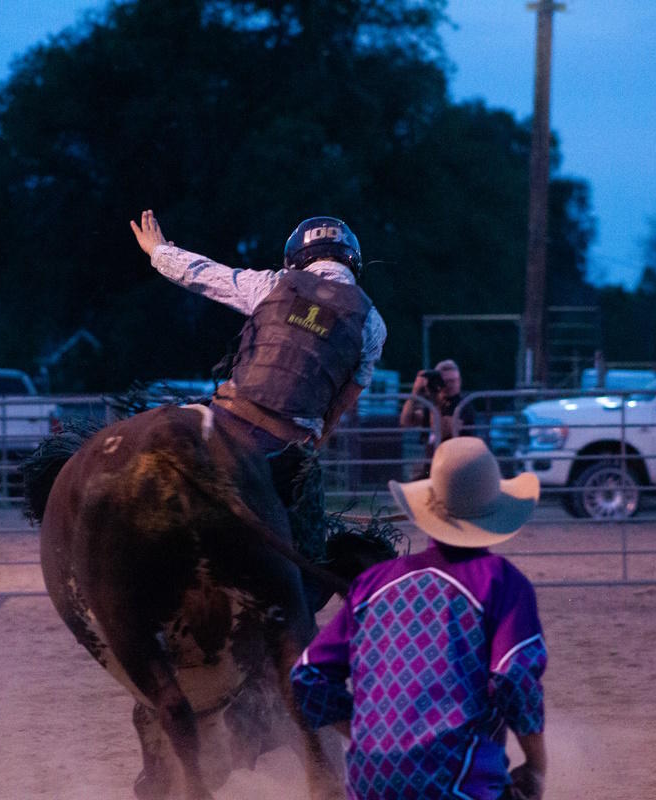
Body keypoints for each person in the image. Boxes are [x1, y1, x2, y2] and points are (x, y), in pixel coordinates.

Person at [290, 436, 548, 800]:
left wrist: (373, 735)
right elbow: (515, 677)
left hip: (369, 781)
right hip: (458, 781)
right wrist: (536, 767)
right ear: (494, 511)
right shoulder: (501, 583)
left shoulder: (371, 584)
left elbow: (308, 676)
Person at [129, 209, 387, 556]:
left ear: (296, 258)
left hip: (225, 421)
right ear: (353, 261)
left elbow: (207, 276)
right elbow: (339, 407)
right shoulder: (372, 323)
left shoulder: (272, 284)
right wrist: (308, 454)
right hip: (286, 447)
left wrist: (159, 252)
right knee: (310, 559)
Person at [400, 359, 476, 478]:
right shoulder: (432, 404)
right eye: (445, 381)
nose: (450, 385)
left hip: (455, 468)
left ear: (459, 381)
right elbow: (406, 421)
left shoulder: (463, 405)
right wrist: (415, 393)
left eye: (453, 381)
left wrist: (434, 400)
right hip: (432, 466)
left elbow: (442, 430)